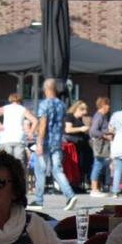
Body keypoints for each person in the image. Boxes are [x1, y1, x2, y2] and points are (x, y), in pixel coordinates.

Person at [32, 78, 78, 211]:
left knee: (40, 170)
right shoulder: (62, 104)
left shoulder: (44, 104)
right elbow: (62, 124)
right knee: (57, 170)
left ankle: (39, 200)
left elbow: (43, 124)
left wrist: (39, 142)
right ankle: (70, 195)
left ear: (46, 89)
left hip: (46, 141)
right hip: (57, 141)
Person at [0, 93, 36, 164]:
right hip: (19, 138)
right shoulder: (23, 109)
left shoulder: (5, 108)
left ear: (10, 100)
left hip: (6, 137)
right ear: (20, 100)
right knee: (19, 162)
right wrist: (30, 132)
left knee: (6, 162)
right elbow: (35, 120)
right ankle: (18, 174)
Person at [63, 100, 92, 191]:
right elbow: (68, 130)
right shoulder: (69, 117)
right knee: (75, 164)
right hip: (74, 144)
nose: (84, 113)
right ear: (78, 109)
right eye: (83, 111)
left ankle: (79, 183)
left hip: (82, 144)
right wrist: (81, 129)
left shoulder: (79, 119)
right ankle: (73, 184)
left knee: (83, 164)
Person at [89, 97, 113, 197]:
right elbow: (93, 131)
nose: (109, 107)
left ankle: (95, 188)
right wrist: (105, 135)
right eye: (108, 105)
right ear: (103, 105)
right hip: (100, 144)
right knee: (98, 165)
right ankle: (94, 189)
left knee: (98, 164)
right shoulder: (99, 116)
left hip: (102, 144)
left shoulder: (101, 116)